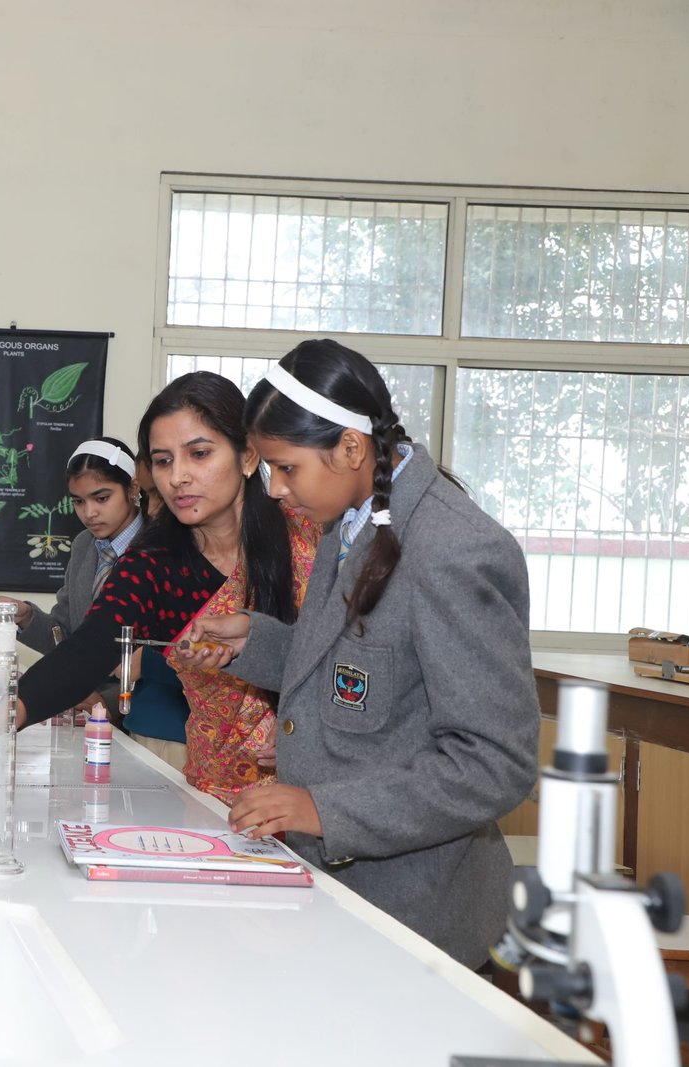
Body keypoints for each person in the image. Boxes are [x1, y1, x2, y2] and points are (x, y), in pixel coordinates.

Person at [176, 337, 538, 968]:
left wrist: (324, 808)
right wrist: (257, 642)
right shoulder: (353, 519)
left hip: (416, 915)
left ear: (350, 447)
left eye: (287, 468)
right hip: (339, 897)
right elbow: (365, 668)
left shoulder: (452, 548)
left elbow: (494, 764)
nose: (275, 489)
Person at [0, 372, 317, 800]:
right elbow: (88, 647)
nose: (178, 477)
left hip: (317, 792)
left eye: (199, 453)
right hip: (216, 795)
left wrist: (306, 725)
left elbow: (349, 659)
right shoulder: (155, 562)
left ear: (247, 455)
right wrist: (2, 718)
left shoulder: (309, 538)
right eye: (163, 461)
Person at [0, 437, 145, 713]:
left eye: (102, 498)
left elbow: (168, 657)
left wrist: (107, 703)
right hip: (88, 708)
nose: (89, 513)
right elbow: (65, 638)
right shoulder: (83, 545)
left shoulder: (158, 547)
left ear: (132, 488)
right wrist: (28, 618)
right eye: (78, 501)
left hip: (140, 712)